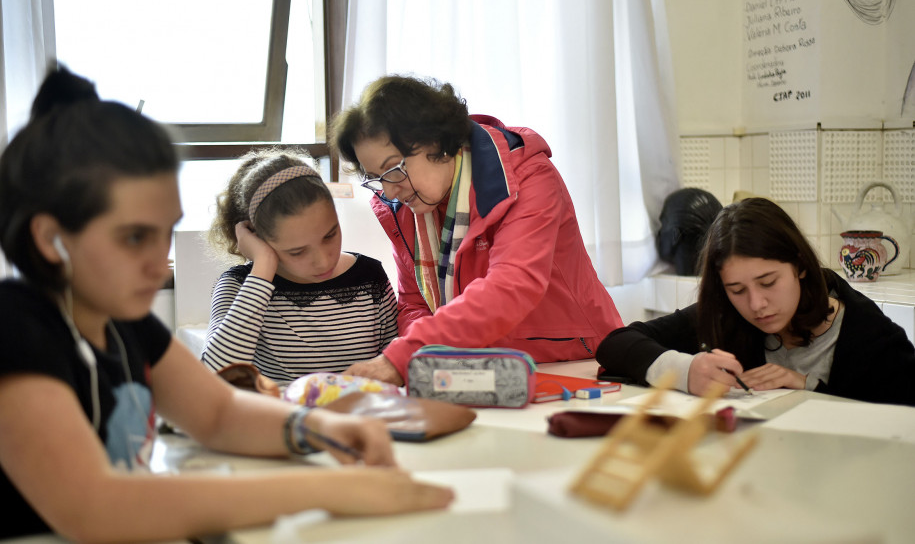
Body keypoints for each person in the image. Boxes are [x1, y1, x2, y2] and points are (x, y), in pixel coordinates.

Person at [0, 66, 452, 542]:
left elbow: (219, 413)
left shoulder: (122, 324)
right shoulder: (15, 329)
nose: (157, 263)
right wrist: (328, 490)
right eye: (134, 237)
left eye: (164, 232)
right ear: (51, 239)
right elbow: (94, 508)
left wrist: (318, 427)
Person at [330, 75, 625, 386]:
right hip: (480, 370)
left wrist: (404, 355)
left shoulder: (527, 176)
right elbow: (415, 303)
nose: (389, 191)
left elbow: (512, 285)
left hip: (574, 361)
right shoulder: (405, 208)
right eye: (377, 177)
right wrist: (421, 362)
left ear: (440, 143)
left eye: (394, 169)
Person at [596, 197, 915, 406]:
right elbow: (616, 344)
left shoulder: (871, 336)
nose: (757, 304)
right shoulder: (727, 314)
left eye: (769, 282)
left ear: (800, 265)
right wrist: (686, 369)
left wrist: (807, 385)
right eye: (737, 289)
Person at [203, 149, 398, 383]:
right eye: (297, 252)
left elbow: (396, 366)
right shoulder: (239, 286)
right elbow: (215, 375)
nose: (324, 260)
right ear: (259, 240)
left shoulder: (370, 277)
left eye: (330, 235)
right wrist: (263, 267)